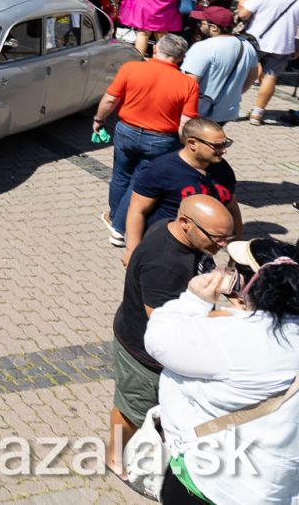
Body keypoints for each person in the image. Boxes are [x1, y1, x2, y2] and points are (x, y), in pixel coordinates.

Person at [143, 246, 299, 505]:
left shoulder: (231, 337)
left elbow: (158, 339)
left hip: (212, 483)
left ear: (247, 288)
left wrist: (194, 300)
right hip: (282, 489)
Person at [106, 195, 235, 477]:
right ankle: (114, 459)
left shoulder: (171, 228)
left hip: (160, 349)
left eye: (227, 237)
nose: (222, 245)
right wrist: (234, 317)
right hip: (142, 354)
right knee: (131, 408)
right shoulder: (164, 264)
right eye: (217, 238)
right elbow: (165, 322)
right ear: (186, 224)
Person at [95, 33, 199, 247]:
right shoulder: (188, 84)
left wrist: (99, 120)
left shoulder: (131, 68)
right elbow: (186, 122)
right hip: (161, 140)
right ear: (180, 59)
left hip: (126, 131)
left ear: (155, 50)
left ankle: (117, 220)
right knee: (139, 182)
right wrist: (183, 147)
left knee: (120, 176)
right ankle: (120, 227)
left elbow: (110, 98)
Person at [122, 117, 241, 267]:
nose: (224, 150)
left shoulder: (222, 168)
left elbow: (233, 209)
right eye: (216, 146)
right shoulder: (160, 170)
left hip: (201, 250)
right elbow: (137, 210)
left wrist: (236, 250)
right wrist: (132, 249)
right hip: (164, 249)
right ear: (192, 143)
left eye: (225, 143)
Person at [237, 0, 299, 125]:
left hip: (255, 39)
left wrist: (242, 3)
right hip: (283, 44)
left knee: (243, 72)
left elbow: (243, 14)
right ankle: (257, 114)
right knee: (270, 76)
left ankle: (232, 106)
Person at [181, 5, 259, 123]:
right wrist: (232, 94)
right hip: (225, 113)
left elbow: (189, 83)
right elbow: (253, 76)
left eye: (202, 23)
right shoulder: (247, 47)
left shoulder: (204, 47)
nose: (199, 25)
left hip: (197, 111)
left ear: (214, 28)